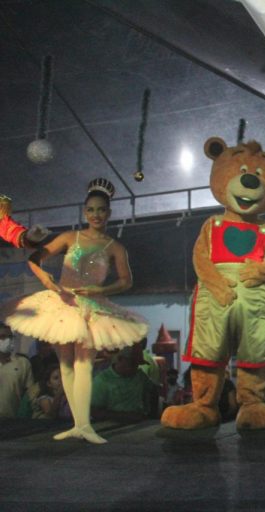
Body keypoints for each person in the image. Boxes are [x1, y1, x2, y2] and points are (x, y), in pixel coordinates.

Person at [0, 178, 148, 443]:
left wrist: (100, 290)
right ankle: (78, 424)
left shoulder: (115, 247)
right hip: (63, 304)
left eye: (100, 210)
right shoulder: (70, 237)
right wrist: (46, 280)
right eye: (91, 209)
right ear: (84, 212)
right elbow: (35, 258)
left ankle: (85, 425)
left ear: (109, 213)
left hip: (92, 307)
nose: (95, 215)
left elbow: (126, 281)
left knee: (84, 365)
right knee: (66, 364)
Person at [91, 346, 154, 423]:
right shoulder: (102, 381)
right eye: (132, 364)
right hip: (112, 427)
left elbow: (154, 391)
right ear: (120, 359)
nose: (135, 367)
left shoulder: (140, 376)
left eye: (137, 364)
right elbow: (94, 412)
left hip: (139, 424)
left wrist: (150, 413)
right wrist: (124, 416)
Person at [0, 322, 34, 418]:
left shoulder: (23, 363)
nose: (7, 340)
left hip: (13, 420)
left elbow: (30, 394)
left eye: (10, 337)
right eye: (2, 337)